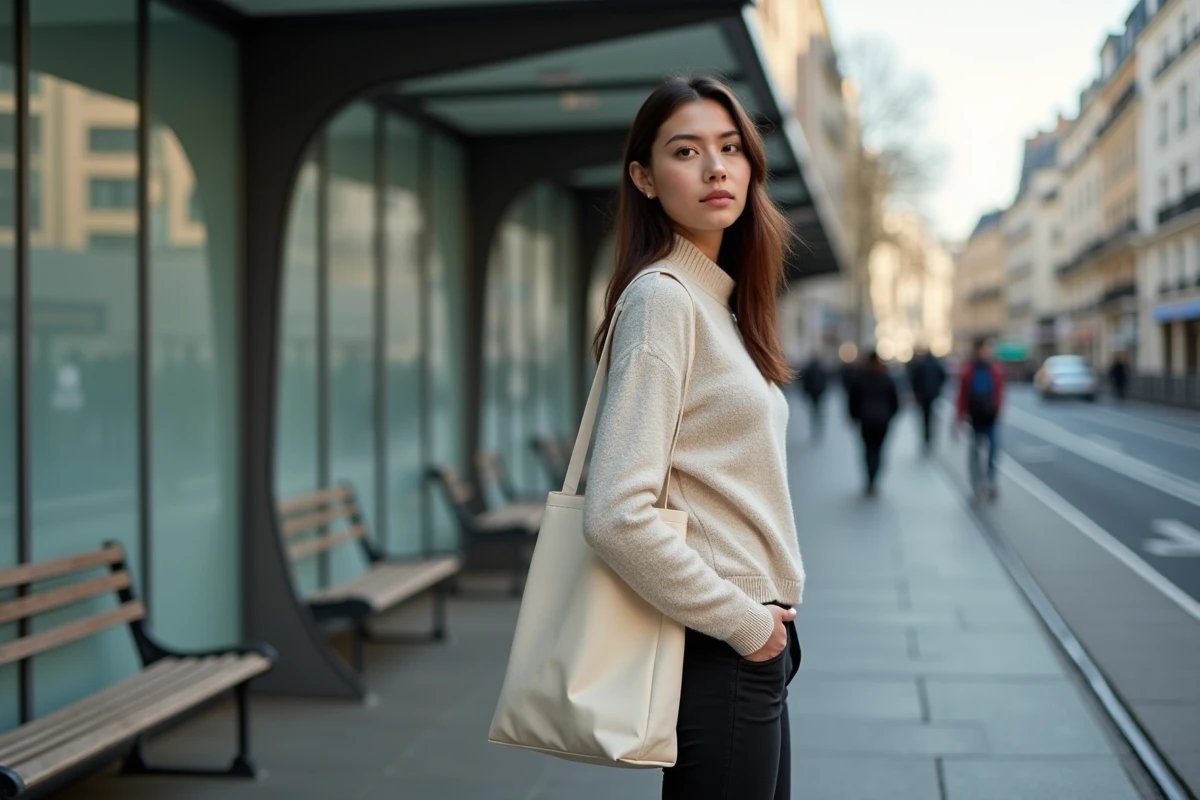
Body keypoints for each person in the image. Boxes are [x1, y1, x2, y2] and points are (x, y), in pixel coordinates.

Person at [582, 76, 804, 800]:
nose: (715, 168)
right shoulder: (663, 299)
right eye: (686, 151)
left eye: (731, 148)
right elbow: (616, 512)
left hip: (747, 641)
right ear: (644, 178)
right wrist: (745, 625)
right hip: (720, 642)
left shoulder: (720, 302)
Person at [956, 338, 1005, 499]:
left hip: (991, 416)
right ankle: (976, 483)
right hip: (975, 417)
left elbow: (1000, 392)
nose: (987, 352)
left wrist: (999, 409)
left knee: (993, 450)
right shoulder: (969, 371)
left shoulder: (995, 370)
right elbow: (962, 394)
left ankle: (991, 481)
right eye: (984, 349)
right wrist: (960, 415)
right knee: (975, 452)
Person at [847, 350, 899, 496]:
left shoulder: (860, 378)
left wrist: (854, 416)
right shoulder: (886, 378)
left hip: (866, 420)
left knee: (868, 450)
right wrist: (889, 416)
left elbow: (853, 401)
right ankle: (874, 479)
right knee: (878, 450)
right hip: (882, 421)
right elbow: (895, 402)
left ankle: (870, 479)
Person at [907, 347, 946, 453]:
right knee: (931, 417)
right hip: (932, 395)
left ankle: (927, 438)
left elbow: (914, 380)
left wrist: (917, 392)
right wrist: (937, 388)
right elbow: (943, 377)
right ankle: (929, 438)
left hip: (923, 396)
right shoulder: (935, 364)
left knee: (925, 418)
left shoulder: (921, 365)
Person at [800, 353, 829, 440]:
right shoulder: (821, 369)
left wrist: (806, 392)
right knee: (818, 410)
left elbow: (804, 381)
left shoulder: (809, 369)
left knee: (814, 410)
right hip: (819, 392)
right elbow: (825, 381)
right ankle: (818, 425)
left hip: (812, 393)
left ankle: (815, 424)